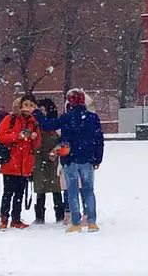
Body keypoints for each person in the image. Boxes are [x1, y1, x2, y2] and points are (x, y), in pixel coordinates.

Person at [57, 87, 104, 232]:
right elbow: (98, 140)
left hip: (70, 159)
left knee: (72, 191)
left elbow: (51, 128)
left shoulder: (66, 118)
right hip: (87, 158)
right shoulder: (92, 118)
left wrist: (38, 114)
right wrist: (97, 158)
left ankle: (76, 222)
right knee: (88, 190)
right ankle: (91, 221)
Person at [0, 96, 41, 230]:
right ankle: (4, 218)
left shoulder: (33, 123)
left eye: (31, 105)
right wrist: (17, 136)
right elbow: (1, 136)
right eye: (26, 105)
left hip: (24, 164)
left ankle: (16, 219)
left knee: (20, 193)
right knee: (8, 192)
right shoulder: (11, 119)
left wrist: (34, 138)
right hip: (11, 162)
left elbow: (37, 145)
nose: (28, 108)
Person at [30, 98, 69, 225]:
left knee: (56, 188)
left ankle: (59, 214)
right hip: (39, 160)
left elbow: (62, 141)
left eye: (43, 110)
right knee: (40, 188)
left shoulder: (54, 127)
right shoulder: (35, 126)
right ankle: (39, 216)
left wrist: (56, 149)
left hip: (54, 160)